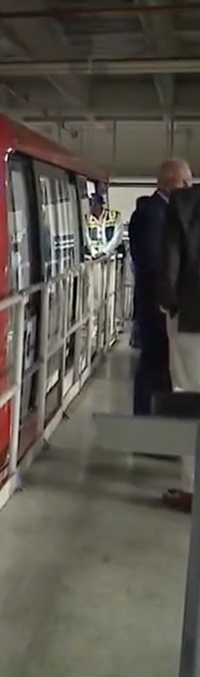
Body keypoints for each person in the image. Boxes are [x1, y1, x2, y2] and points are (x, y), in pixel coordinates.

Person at [129, 158, 192, 417]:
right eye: (185, 181)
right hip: (155, 306)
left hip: (161, 305)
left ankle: (156, 424)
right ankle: (147, 423)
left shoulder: (163, 214)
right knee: (154, 365)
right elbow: (156, 263)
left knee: (161, 368)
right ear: (169, 182)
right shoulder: (151, 215)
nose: (189, 186)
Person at [161, 181, 200, 512]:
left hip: (192, 319)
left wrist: (169, 305)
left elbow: (170, 260)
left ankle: (192, 487)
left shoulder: (185, 202)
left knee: (189, 399)